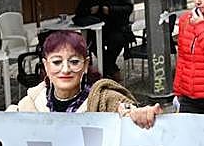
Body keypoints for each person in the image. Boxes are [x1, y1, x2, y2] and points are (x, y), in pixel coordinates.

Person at [11, 30, 158, 125]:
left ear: (86, 64)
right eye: (56, 62)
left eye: (74, 62)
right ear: (46, 66)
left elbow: (123, 108)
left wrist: (138, 115)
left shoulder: (101, 98)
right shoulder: (32, 101)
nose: (66, 69)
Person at [74, 0, 133, 78]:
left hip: (115, 26)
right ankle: (111, 69)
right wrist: (90, 10)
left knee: (117, 41)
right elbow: (79, 11)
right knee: (93, 43)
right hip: (96, 28)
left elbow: (128, 7)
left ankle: (107, 68)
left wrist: (111, 10)